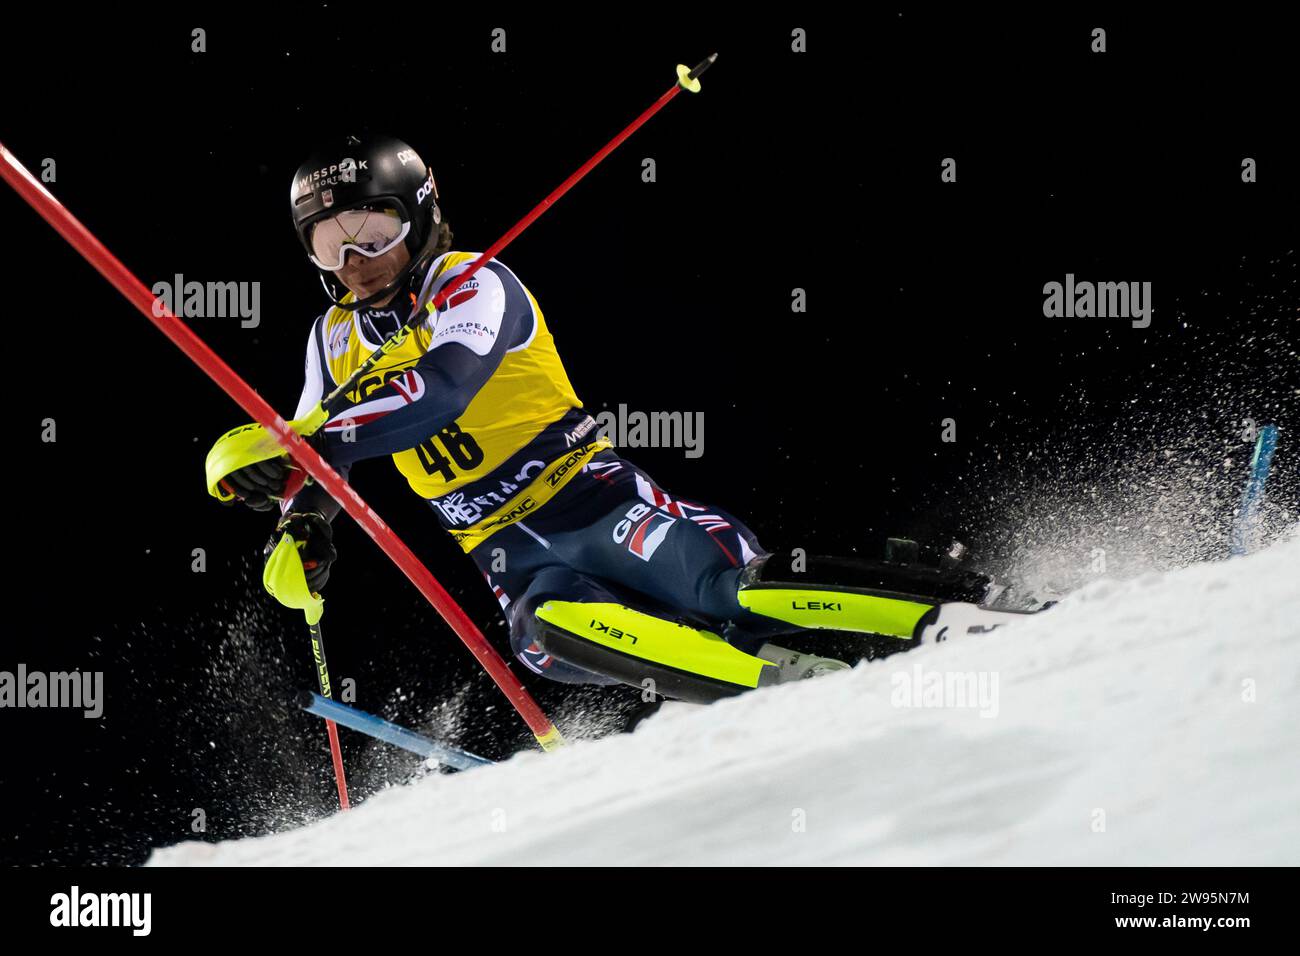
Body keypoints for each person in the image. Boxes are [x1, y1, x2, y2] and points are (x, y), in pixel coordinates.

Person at [214, 134, 995, 705]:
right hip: (502, 548)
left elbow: (442, 392)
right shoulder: (333, 339)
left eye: (373, 233)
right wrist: (304, 523)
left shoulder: (473, 284)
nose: (356, 262)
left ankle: (949, 606)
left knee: (726, 590)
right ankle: (780, 689)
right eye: (329, 246)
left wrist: (305, 444)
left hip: (591, 497)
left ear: (417, 219)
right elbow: (322, 466)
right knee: (545, 635)